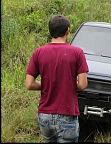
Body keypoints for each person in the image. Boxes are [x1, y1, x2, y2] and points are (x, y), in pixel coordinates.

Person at [25, 14, 89, 143]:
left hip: (44, 116)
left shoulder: (38, 52)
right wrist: (65, 84)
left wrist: (49, 84)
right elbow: (82, 85)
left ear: (50, 32)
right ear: (68, 31)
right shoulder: (77, 52)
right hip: (66, 114)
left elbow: (29, 84)